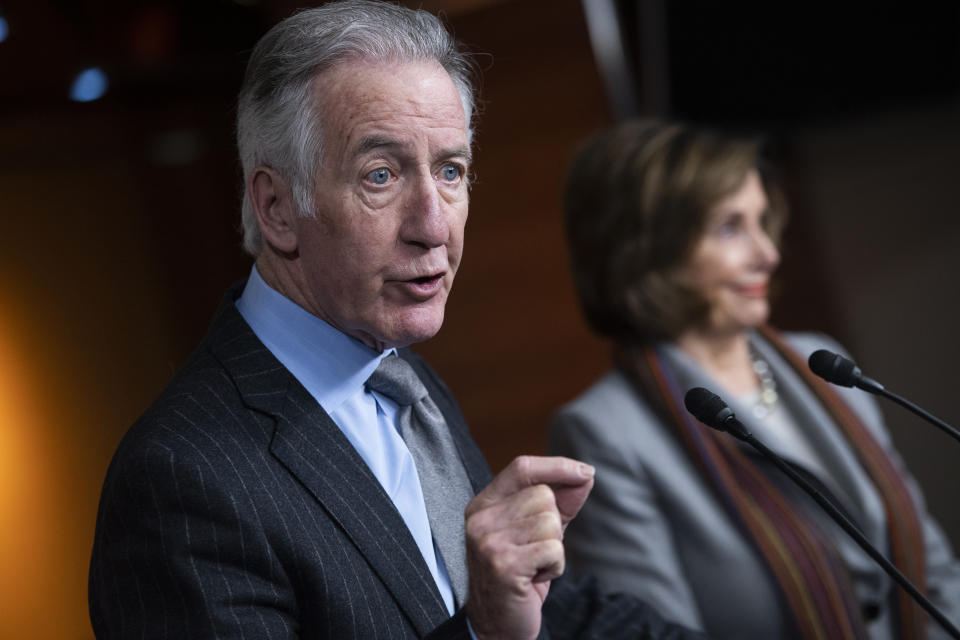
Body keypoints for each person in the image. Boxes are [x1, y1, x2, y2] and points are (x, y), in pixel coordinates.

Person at [88, 4, 708, 639]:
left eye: (450, 171)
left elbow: (548, 611)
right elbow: (493, 623)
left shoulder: (402, 383)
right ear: (275, 208)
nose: (434, 226)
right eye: (379, 176)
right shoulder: (178, 478)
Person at [550, 119, 960, 639]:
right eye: (730, 227)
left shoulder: (823, 360)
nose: (767, 253)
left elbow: (937, 573)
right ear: (649, 251)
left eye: (762, 221)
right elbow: (651, 633)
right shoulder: (602, 434)